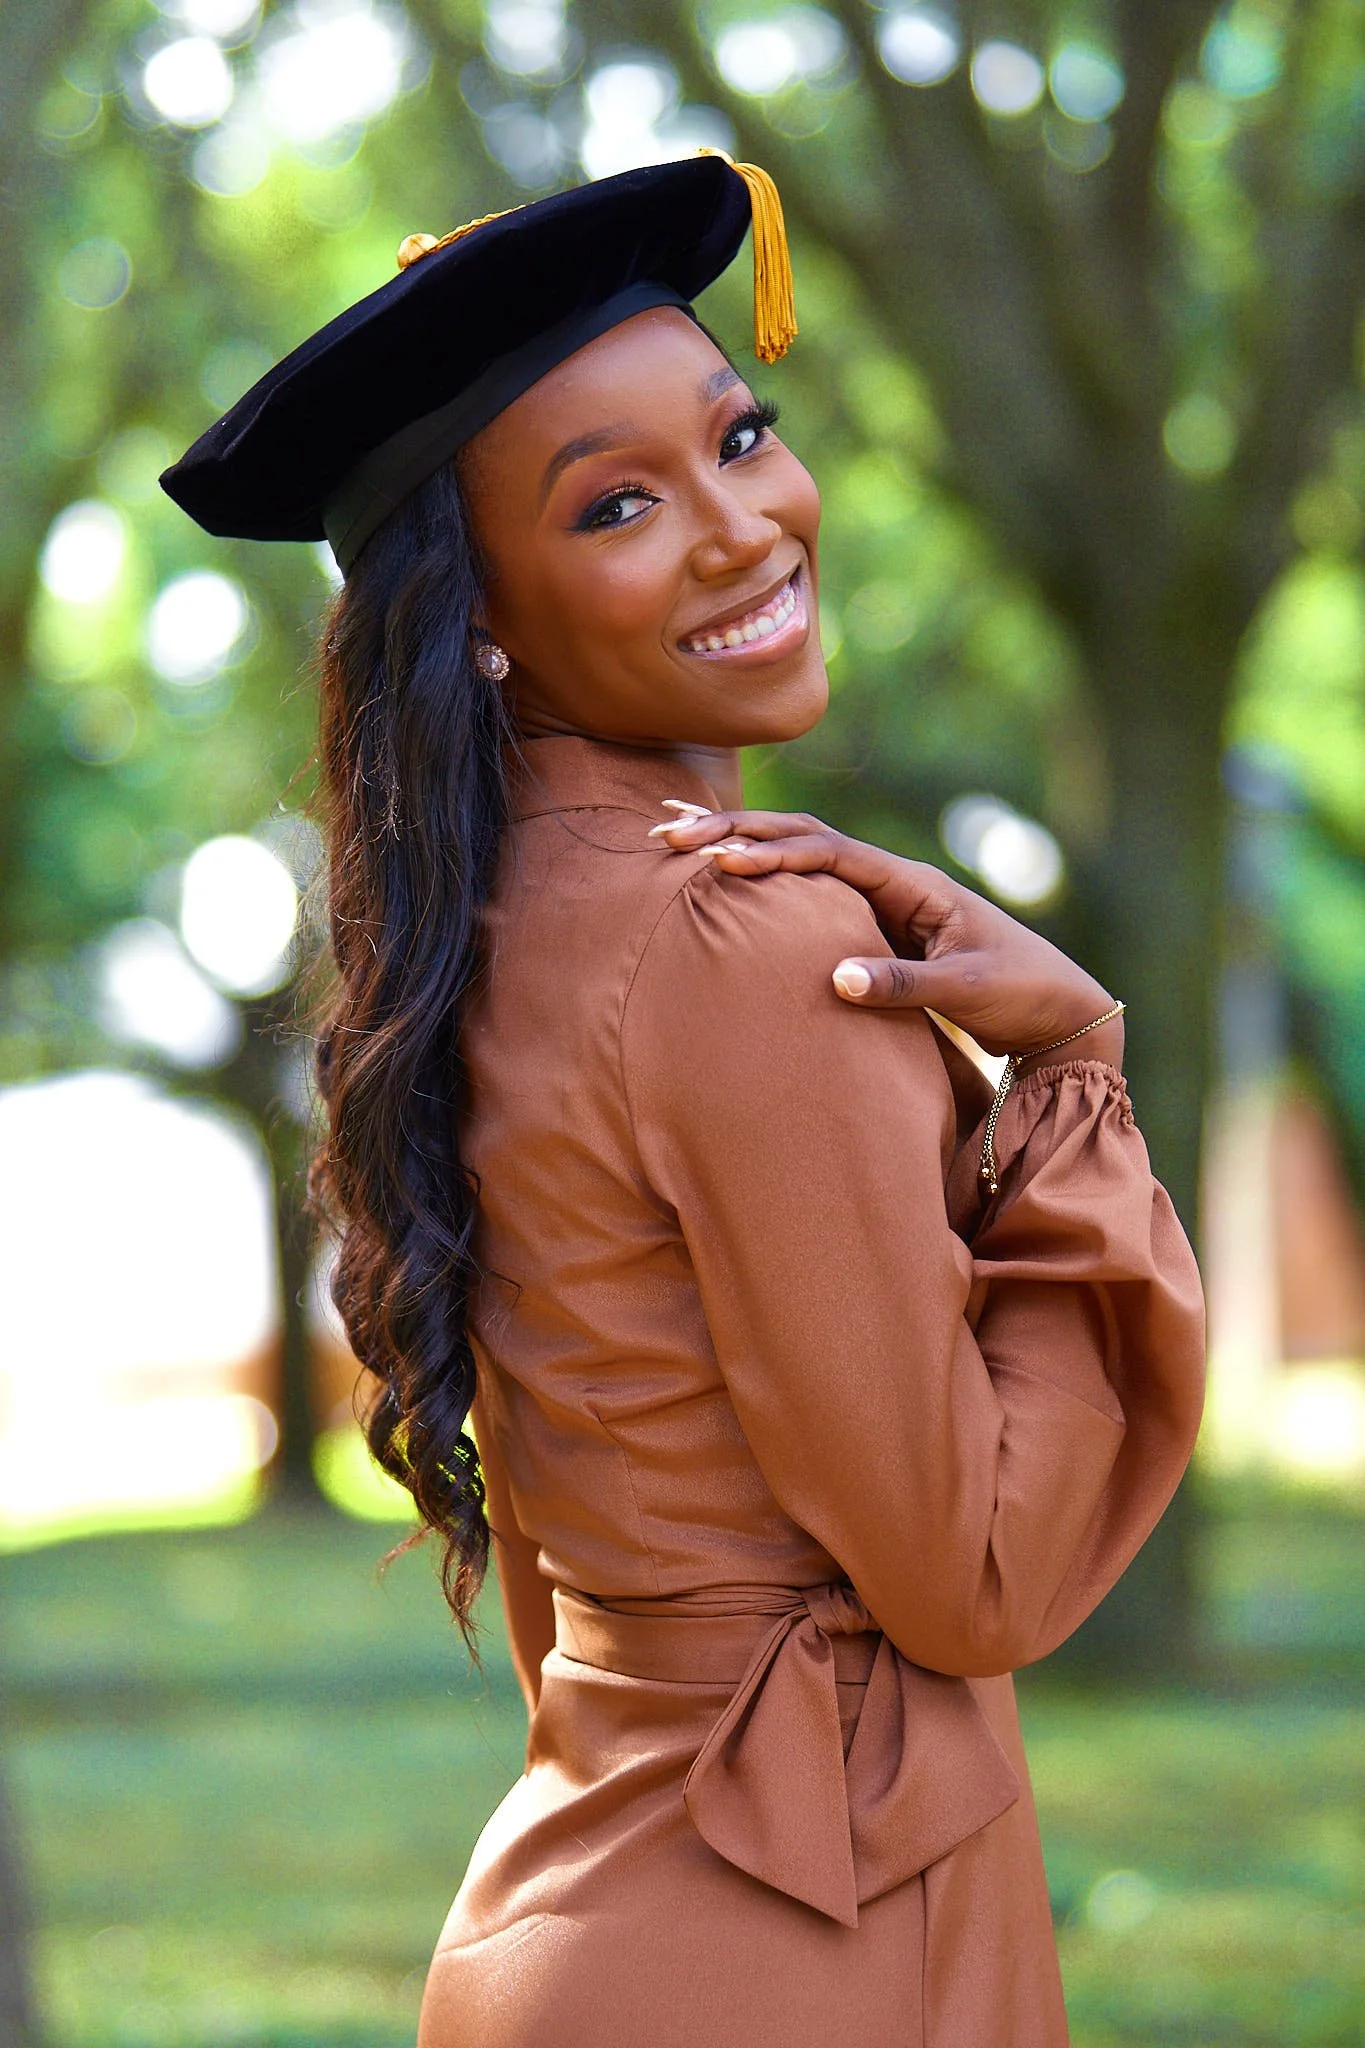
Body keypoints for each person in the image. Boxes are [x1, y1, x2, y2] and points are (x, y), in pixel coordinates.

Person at [162, 152, 1206, 2048]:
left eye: (743, 436)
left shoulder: (493, 937)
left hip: (590, 1905)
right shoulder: (744, 946)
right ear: (480, 612)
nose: (745, 527)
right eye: (621, 503)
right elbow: (979, 1565)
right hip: (795, 1939)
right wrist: (1068, 1079)